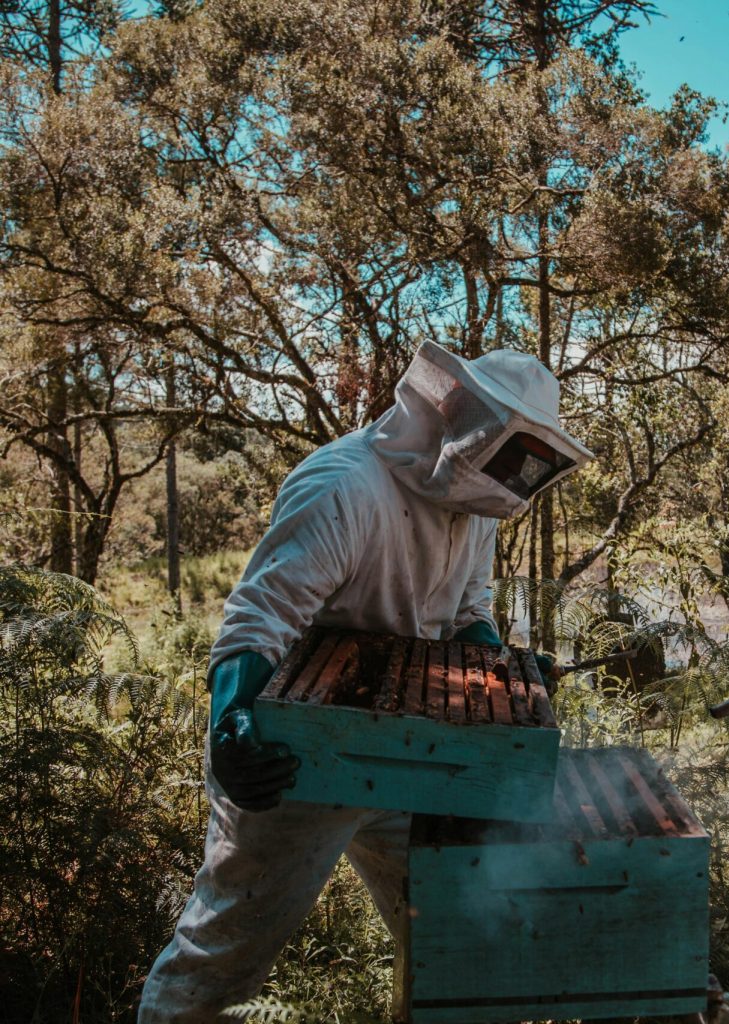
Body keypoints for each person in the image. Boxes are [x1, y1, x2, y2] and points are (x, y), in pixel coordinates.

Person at [138, 340, 592, 1022]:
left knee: (446, 931)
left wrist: (506, 675)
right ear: (459, 416)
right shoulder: (342, 486)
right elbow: (259, 620)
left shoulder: (477, 503)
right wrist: (231, 719)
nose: (511, 474)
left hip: (411, 756)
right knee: (222, 957)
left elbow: (469, 613)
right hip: (293, 758)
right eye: (505, 452)